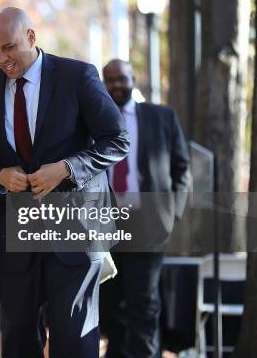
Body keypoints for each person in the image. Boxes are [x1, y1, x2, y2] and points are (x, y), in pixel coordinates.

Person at [0, 7, 129, 357]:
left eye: (9, 47)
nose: (2, 58)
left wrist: (68, 168)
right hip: (17, 231)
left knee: (74, 339)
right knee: (17, 339)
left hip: (75, 228)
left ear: (30, 37)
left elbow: (117, 140)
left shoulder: (78, 76)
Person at [99, 59, 190, 358]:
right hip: (107, 225)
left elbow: (181, 167)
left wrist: (173, 213)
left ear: (133, 79)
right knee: (108, 303)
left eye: (122, 79)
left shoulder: (161, 117)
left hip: (149, 224)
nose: (116, 85)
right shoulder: (95, 121)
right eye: (110, 80)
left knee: (144, 304)